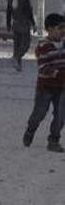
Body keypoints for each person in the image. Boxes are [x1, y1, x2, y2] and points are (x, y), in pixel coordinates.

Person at [22, 13, 65, 153]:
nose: (63, 31)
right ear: (50, 29)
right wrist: (60, 75)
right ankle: (30, 130)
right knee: (39, 113)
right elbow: (44, 69)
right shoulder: (43, 47)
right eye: (60, 28)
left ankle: (53, 140)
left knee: (60, 116)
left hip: (62, 88)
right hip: (45, 87)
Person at [7, 0, 36, 72]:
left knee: (17, 45)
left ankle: (18, 66)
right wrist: (33, 24)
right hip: (24, 25)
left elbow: (8, 11)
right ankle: (16, 58)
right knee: (25, 46)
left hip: (15, 24)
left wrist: (8, 24)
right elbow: (29, 11)